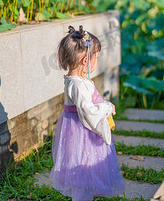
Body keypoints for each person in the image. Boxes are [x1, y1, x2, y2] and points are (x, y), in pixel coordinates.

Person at [49, 25, 125, 201]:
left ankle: (85, 195)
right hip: (83, 133)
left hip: (79, 128)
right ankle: (83, 196)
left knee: (85, 170)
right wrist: (106, 108)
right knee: (83, 168)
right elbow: (88, 113)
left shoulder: (77, 80)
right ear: (86, 61)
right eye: (96, 56)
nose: (97, 60)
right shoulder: (78, 85)